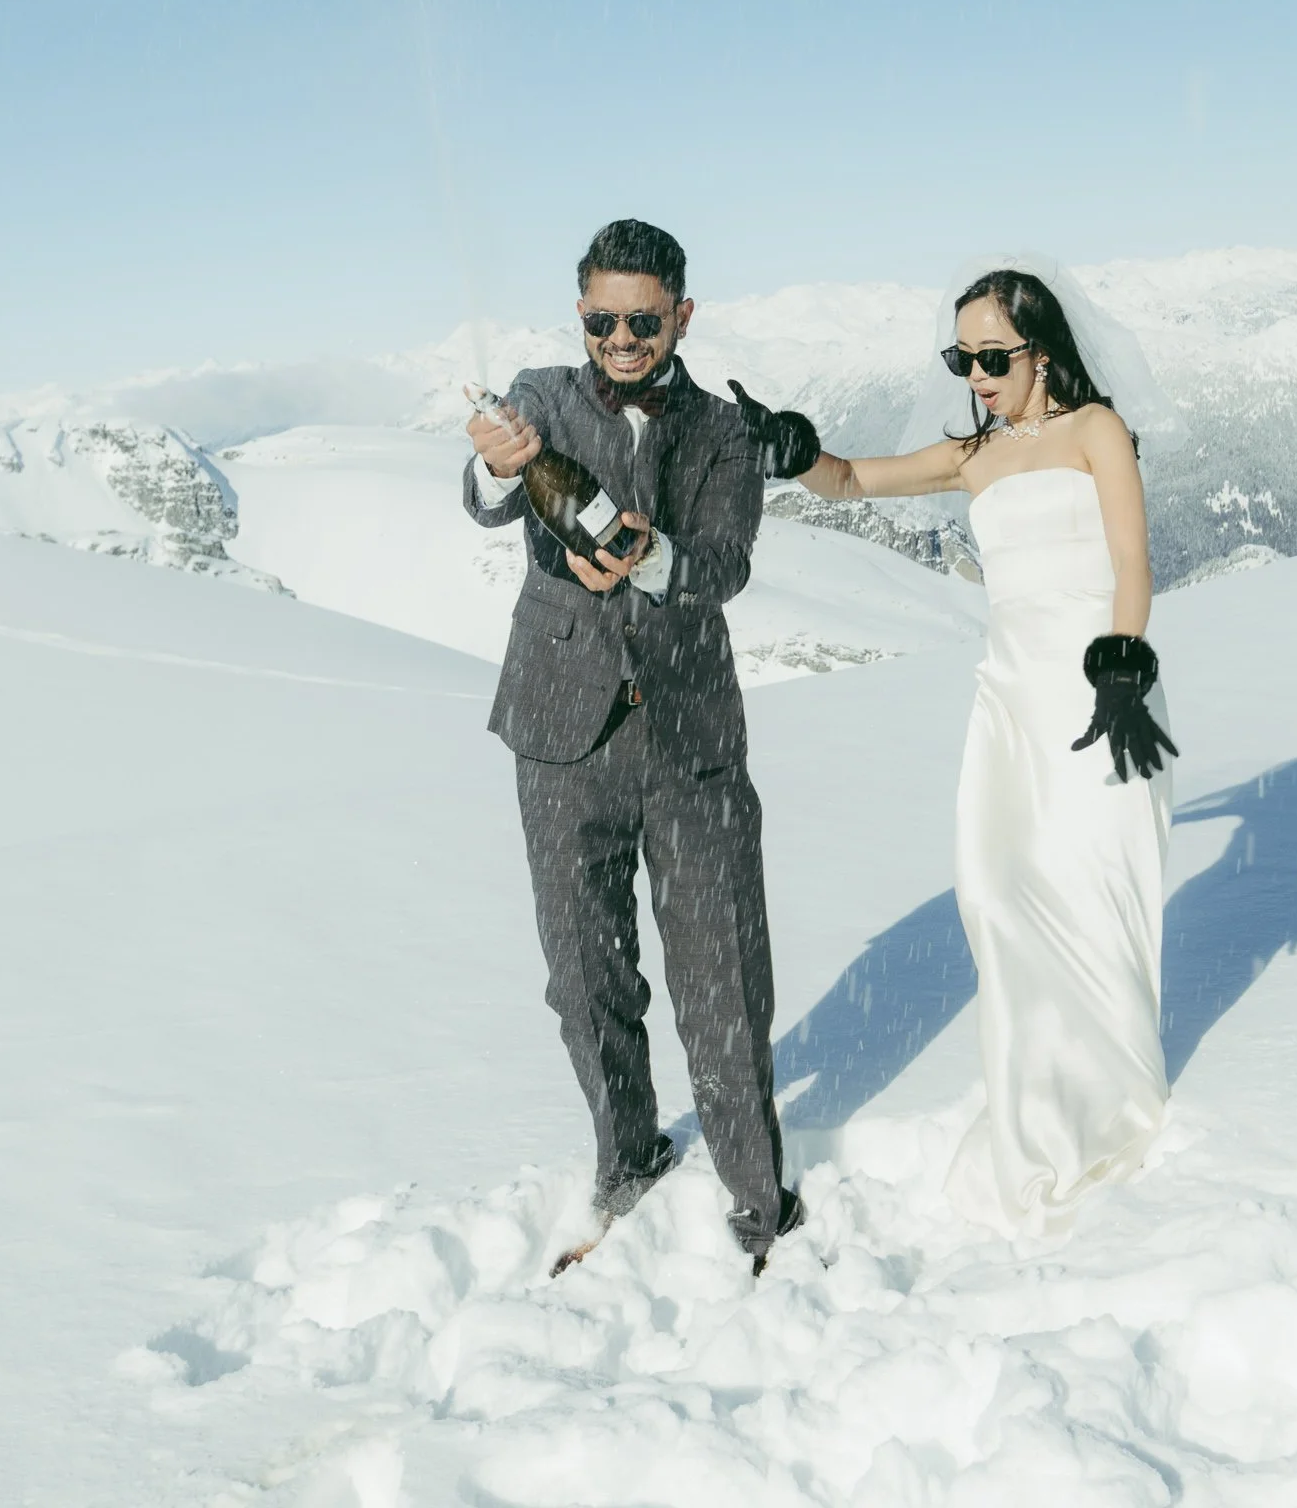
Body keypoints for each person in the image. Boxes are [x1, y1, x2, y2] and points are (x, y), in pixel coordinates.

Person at [733, 259, 1179, 1240]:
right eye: (959, 356)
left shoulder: (1095, 432)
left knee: (1093, 893)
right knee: (994, 892)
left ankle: (1103, 1099)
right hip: (1010, 698)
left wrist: (1124, 657)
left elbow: (1135, 562)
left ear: (1041, 347)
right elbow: (850, 481)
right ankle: (1034, 1099)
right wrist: (794, 447)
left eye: (989, 355)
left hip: (1099, 685)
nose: (973, 374)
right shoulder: (973, 450)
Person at [463, 218, 808, 1273]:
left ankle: (759, 1206)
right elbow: (483, 501)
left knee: (724, 977)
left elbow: (726, 567)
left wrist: (650, 561)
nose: (623, 337)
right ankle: (627, 1161)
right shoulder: (538, 397)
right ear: (582, 316)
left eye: (644, 320)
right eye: (604, 319)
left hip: (690, 733)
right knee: (585, 975)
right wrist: (494, 469)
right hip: (559, 730)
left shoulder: (723, 428)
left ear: (681, 316)